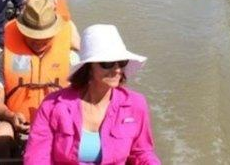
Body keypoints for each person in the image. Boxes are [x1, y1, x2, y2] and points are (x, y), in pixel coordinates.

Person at [25, 24, 159, 164]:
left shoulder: (136, 105)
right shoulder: (52, 106)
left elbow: (141, 152)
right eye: (107, 63)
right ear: (88, 68)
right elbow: (37, 158)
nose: (117, 70)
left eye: (121, 63)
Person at [0, 0, 78, 158]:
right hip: (16, 124)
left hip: (57, 126)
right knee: (0, 133)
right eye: (32, 35)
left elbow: (83, 105)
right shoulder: (5, 58)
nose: (38, 40)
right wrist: (10, 116)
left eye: (44, 35)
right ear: (22, 30)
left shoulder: (72, 60)